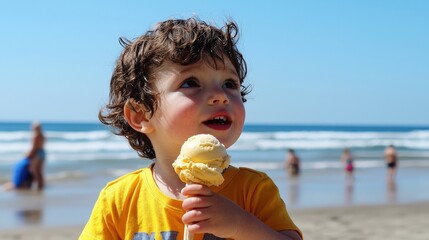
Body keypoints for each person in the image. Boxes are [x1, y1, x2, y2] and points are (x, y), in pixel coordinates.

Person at [80, 17, 302, 240]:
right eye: (190, 83)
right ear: (140, 115)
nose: (220, 96)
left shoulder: (253, 190)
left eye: (229, 84)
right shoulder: (120, 200)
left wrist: (242, 226)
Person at [2, 122, 45, 191]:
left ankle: (39, 186)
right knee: (39, 171)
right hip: (42, 153)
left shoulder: (35, 136)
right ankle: (41, 185)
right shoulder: (42, 135)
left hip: (37, 154)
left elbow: (33, 148)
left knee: (35, 171)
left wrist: (28, 155)